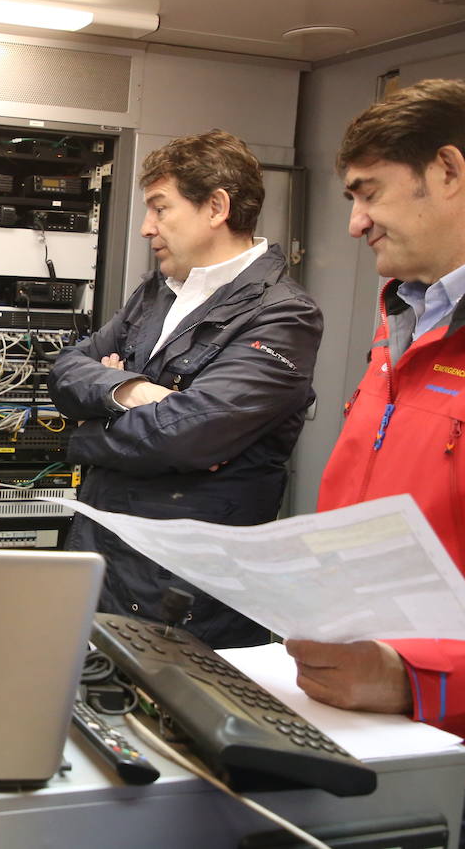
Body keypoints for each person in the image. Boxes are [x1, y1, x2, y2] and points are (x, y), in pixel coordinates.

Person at [285, 79, 465, 849]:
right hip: (350, 709)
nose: (353, 223)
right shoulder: (409, 313)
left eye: (368, 193)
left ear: (448, 170)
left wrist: (417, 674)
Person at [48, 130, 323, 648]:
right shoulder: (156, 291)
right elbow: (65, 370)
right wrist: (132, 391)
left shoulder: (283, 315)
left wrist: (88, 430)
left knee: (173, 723)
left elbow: (188, 434)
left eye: (160, 208)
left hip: (188, 588)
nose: (146, 228)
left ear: (216, 207)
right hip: (102, 554)